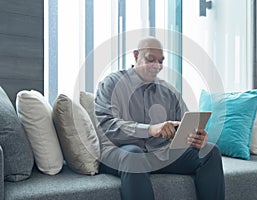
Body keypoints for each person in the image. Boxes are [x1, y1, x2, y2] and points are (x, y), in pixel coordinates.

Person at [94, 37, 225, 200]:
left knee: (210, 151)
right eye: (150, 59)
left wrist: (197, 137)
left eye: (160, 61)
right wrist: (150, 129)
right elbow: (109, 126)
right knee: (134, 155)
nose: (157, 65)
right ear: (136, 56)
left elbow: (185, 125)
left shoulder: (169, 91)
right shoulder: (112, 84)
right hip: (119, 152)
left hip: (159, 153)